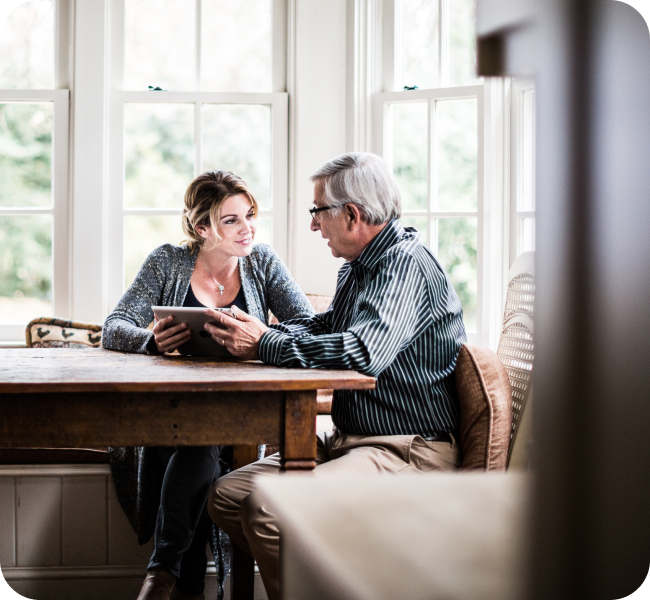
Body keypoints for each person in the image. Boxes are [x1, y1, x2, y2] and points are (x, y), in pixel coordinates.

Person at [203, 152, 468, 600]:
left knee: (269, 510)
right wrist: (259, 331)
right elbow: (325, 327)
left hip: (408, 449)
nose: (313, 225)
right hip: (351, 440)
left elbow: (362, 352)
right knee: (228, 495)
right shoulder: (358, 268)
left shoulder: (403, 264)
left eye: (317, 212)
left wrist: (264, 344)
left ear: (352, 214)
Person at [101, 170, 314, 600]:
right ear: (202, 227)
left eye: (250, 215)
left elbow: (308, 327)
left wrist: (262, 339)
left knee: (202, 443)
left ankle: (163, 575)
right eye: (232, 219)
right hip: (170, 412)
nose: (248, 228)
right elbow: (113, 327)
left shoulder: (263, 263)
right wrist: (151, 341)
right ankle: (180, 582)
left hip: (237, 413)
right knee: (199, 446)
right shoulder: (168, 261)